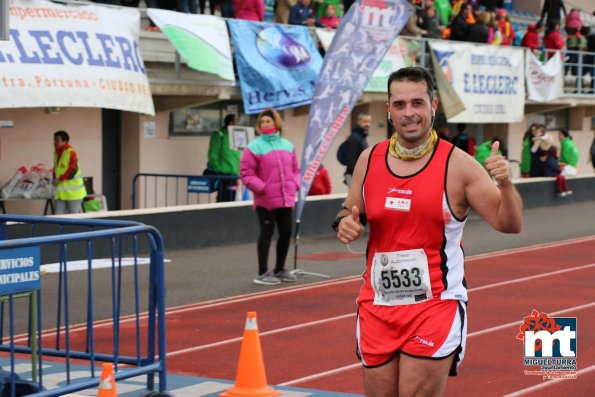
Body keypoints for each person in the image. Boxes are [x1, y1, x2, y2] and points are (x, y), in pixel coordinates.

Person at [331, 66, 522, 397]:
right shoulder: (369, 159)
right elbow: (349, 210)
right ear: (389, 111)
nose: (409, 113)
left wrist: (505, 184)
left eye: (417, 103)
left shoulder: (459, 165)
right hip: (377, 305)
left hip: (435, 305)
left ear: (433, 105)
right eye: (400, 104)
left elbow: (510, 224)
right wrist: (346, 222)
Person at [240, 108, 300, 286]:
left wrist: (294, 184)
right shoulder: (253, 148)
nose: (265, 124)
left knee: (286, 232)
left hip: (285, 198)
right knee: (266, 233)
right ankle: (262, 272)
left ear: (276, 123)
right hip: (265, 200)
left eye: (268, 121)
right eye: (262, 122)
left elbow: (295, 170)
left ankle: (280, 268)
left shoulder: (288, 145)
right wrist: (262, 188)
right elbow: (246, 173)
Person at [207, 114, 241, 202]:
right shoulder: (219, 135)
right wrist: (219, 170)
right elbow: (212, 156)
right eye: (236, 122)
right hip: (223, 175)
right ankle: (218, 216)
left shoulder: (235, 136)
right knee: (223, 199)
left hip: (234, 175)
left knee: (232, 198)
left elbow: (237, 156)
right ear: (231, 123)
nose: (238, 124)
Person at [52, 130, 88, 215]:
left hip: (74, 194)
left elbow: (72, 170)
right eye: (54, 140)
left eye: (57, 140)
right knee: (58, 218)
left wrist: (60, 179)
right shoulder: (57, 153)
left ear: (65, 141)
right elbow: (56, 168)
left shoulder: (70, 152)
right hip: (62, 193)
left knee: (73, 218)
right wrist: (54, 178)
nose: (54, 142)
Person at [342, 113, 371, 187]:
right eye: (364, 121)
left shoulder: (361, 137)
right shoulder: (354, 138)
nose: (367, 124)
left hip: (357, 177)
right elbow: (350, 160)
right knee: (355, 198)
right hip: (353, 177)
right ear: (359, 122)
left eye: (368, 121)